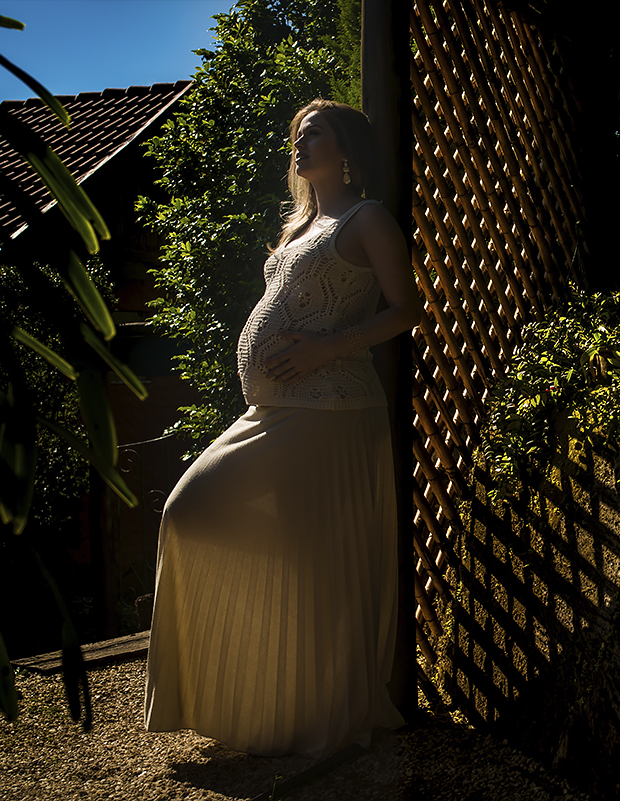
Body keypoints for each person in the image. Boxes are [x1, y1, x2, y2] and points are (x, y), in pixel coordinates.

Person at [144, 98, 420, 758]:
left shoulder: (365, 217)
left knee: (192, 509)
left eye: (314, 133)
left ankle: (313, 711)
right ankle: (277, 707)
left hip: (328, 412)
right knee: (285, 552)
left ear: (345, 147)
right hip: (275, 410)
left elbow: (406, 309)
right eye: (297, 135)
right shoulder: (303, 222)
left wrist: (328, 348)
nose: (299, 144)